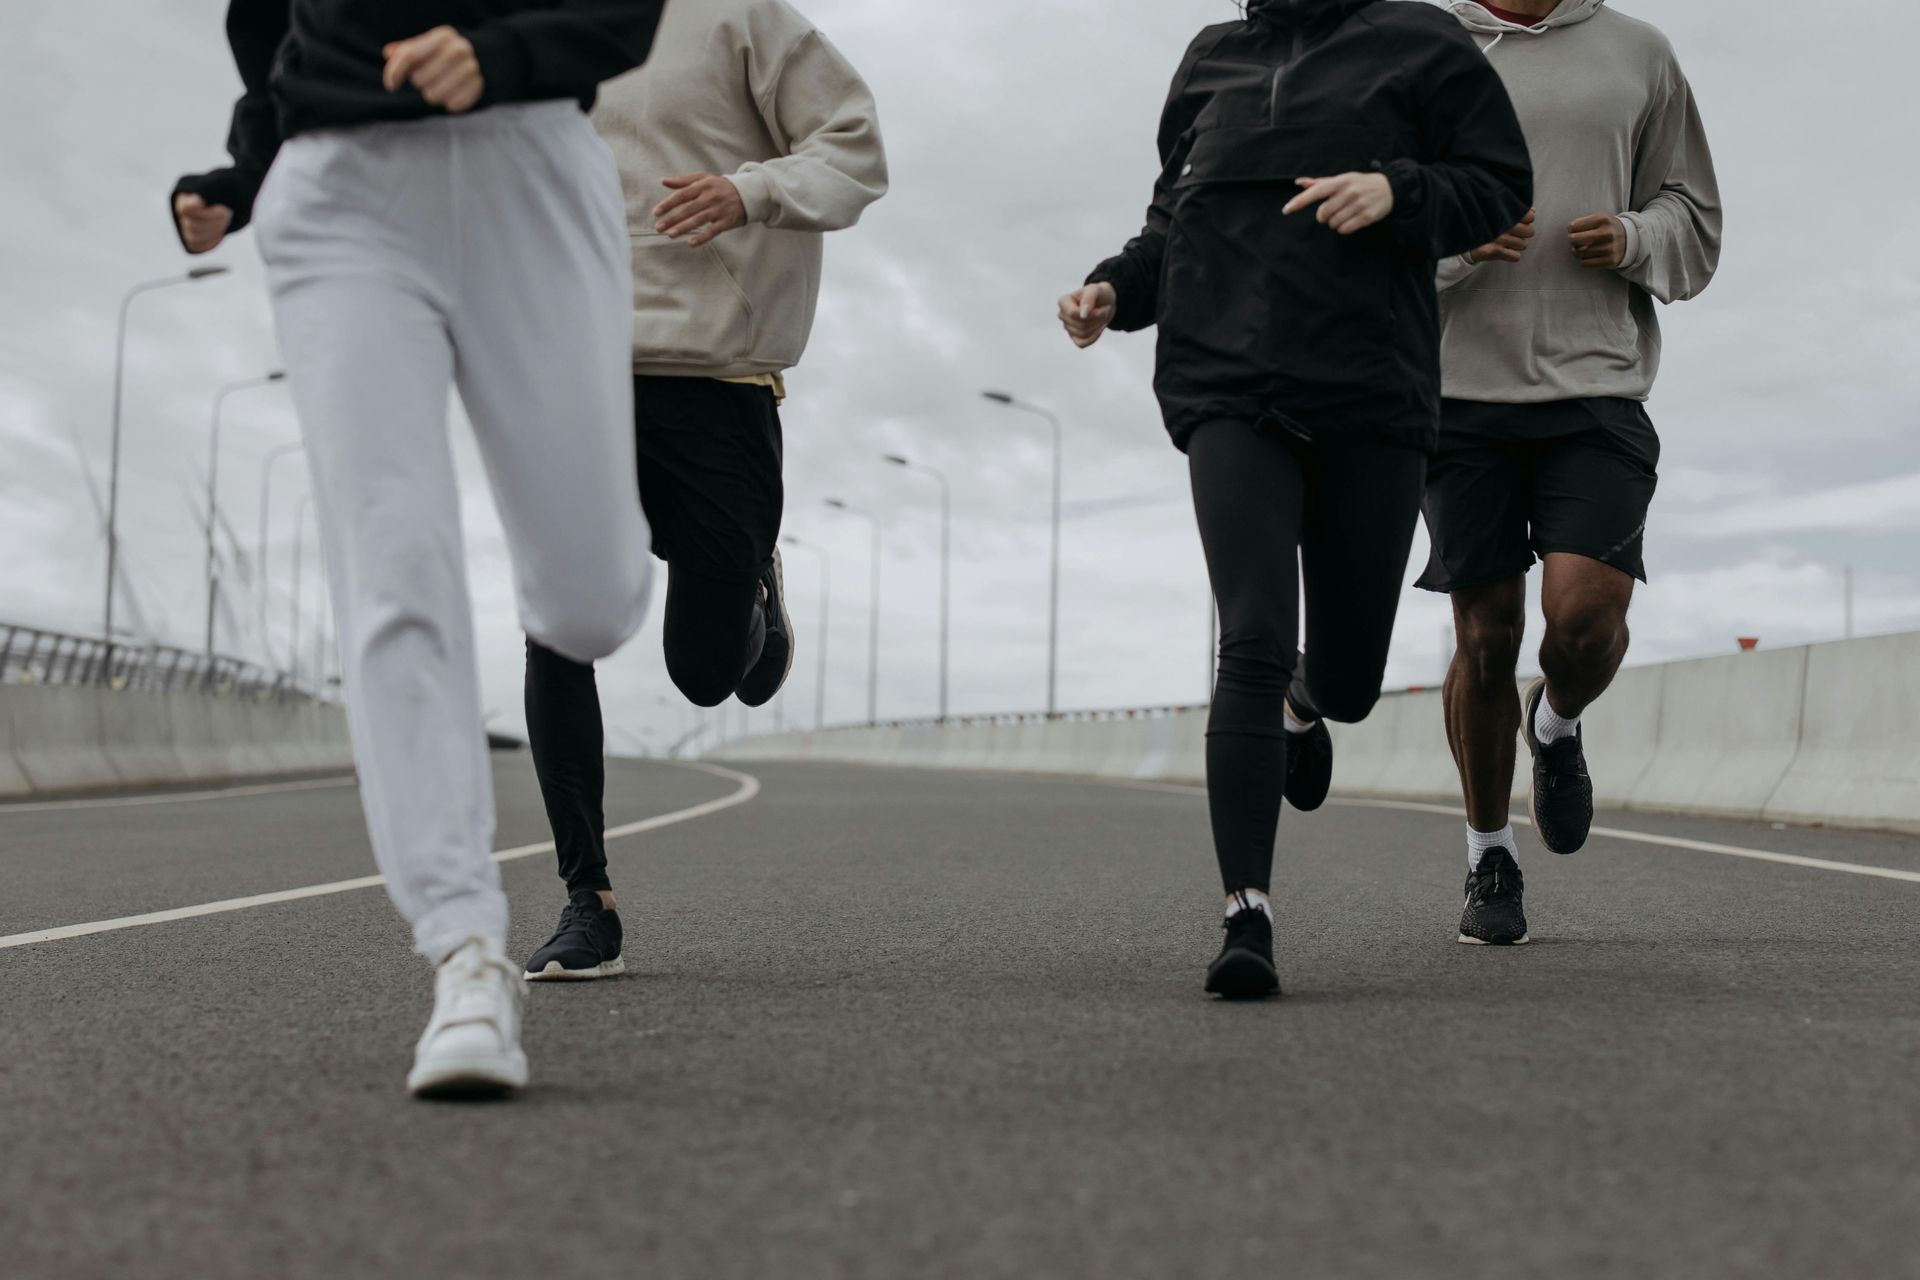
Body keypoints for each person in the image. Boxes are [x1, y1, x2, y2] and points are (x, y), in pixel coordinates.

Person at [172, 0, 667, 1097]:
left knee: (588, 603)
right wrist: (244, 174)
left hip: (529, 166)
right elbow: (269, 33)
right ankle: (466, 951)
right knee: (391, 561)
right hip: (340, 195)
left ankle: (644, 566)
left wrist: (502, 55)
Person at [1057, 0, 1531, 998]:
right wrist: (1114, 287)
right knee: (1252, 633)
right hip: (1230, 389)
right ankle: (1247, 914)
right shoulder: (1210, 60)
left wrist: (1397, 191)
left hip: (1370, 393)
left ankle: (1306, 704)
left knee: (1349, 677)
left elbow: (1499, 186)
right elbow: (1176, 219)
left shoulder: (1420, 41)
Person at [518, 0, 888, 981]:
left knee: (702, 669)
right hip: (577, 372)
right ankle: (585, 899)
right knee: (557, 622)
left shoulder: (739, 18)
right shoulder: (534, 31)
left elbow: (855, 148)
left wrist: (747, 191)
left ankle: (755, 583)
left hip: (717, 383)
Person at [1420, 0, 1721, 947]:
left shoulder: (1641, 52)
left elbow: (1695, 213)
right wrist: (1460, 249)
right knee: (1484, 636)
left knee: (1586, 623)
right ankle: (1487, 855)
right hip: (1458, 396)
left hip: (1596, 390)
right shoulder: (1424, 48)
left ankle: (1556, 722)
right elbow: (1370, 220)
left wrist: (1634, 237)